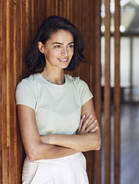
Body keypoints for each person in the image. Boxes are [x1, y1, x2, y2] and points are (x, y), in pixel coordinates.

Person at [15, 15, 101, 184]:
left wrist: (49, 138)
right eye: (57, 46)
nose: (65, 53)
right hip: (41, 173)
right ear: (41, 47)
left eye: (70, 46)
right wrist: (78, 142)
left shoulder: (79, 87)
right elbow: (34, 152)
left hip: (75, 171)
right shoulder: (28, 87)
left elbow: (95, 142)